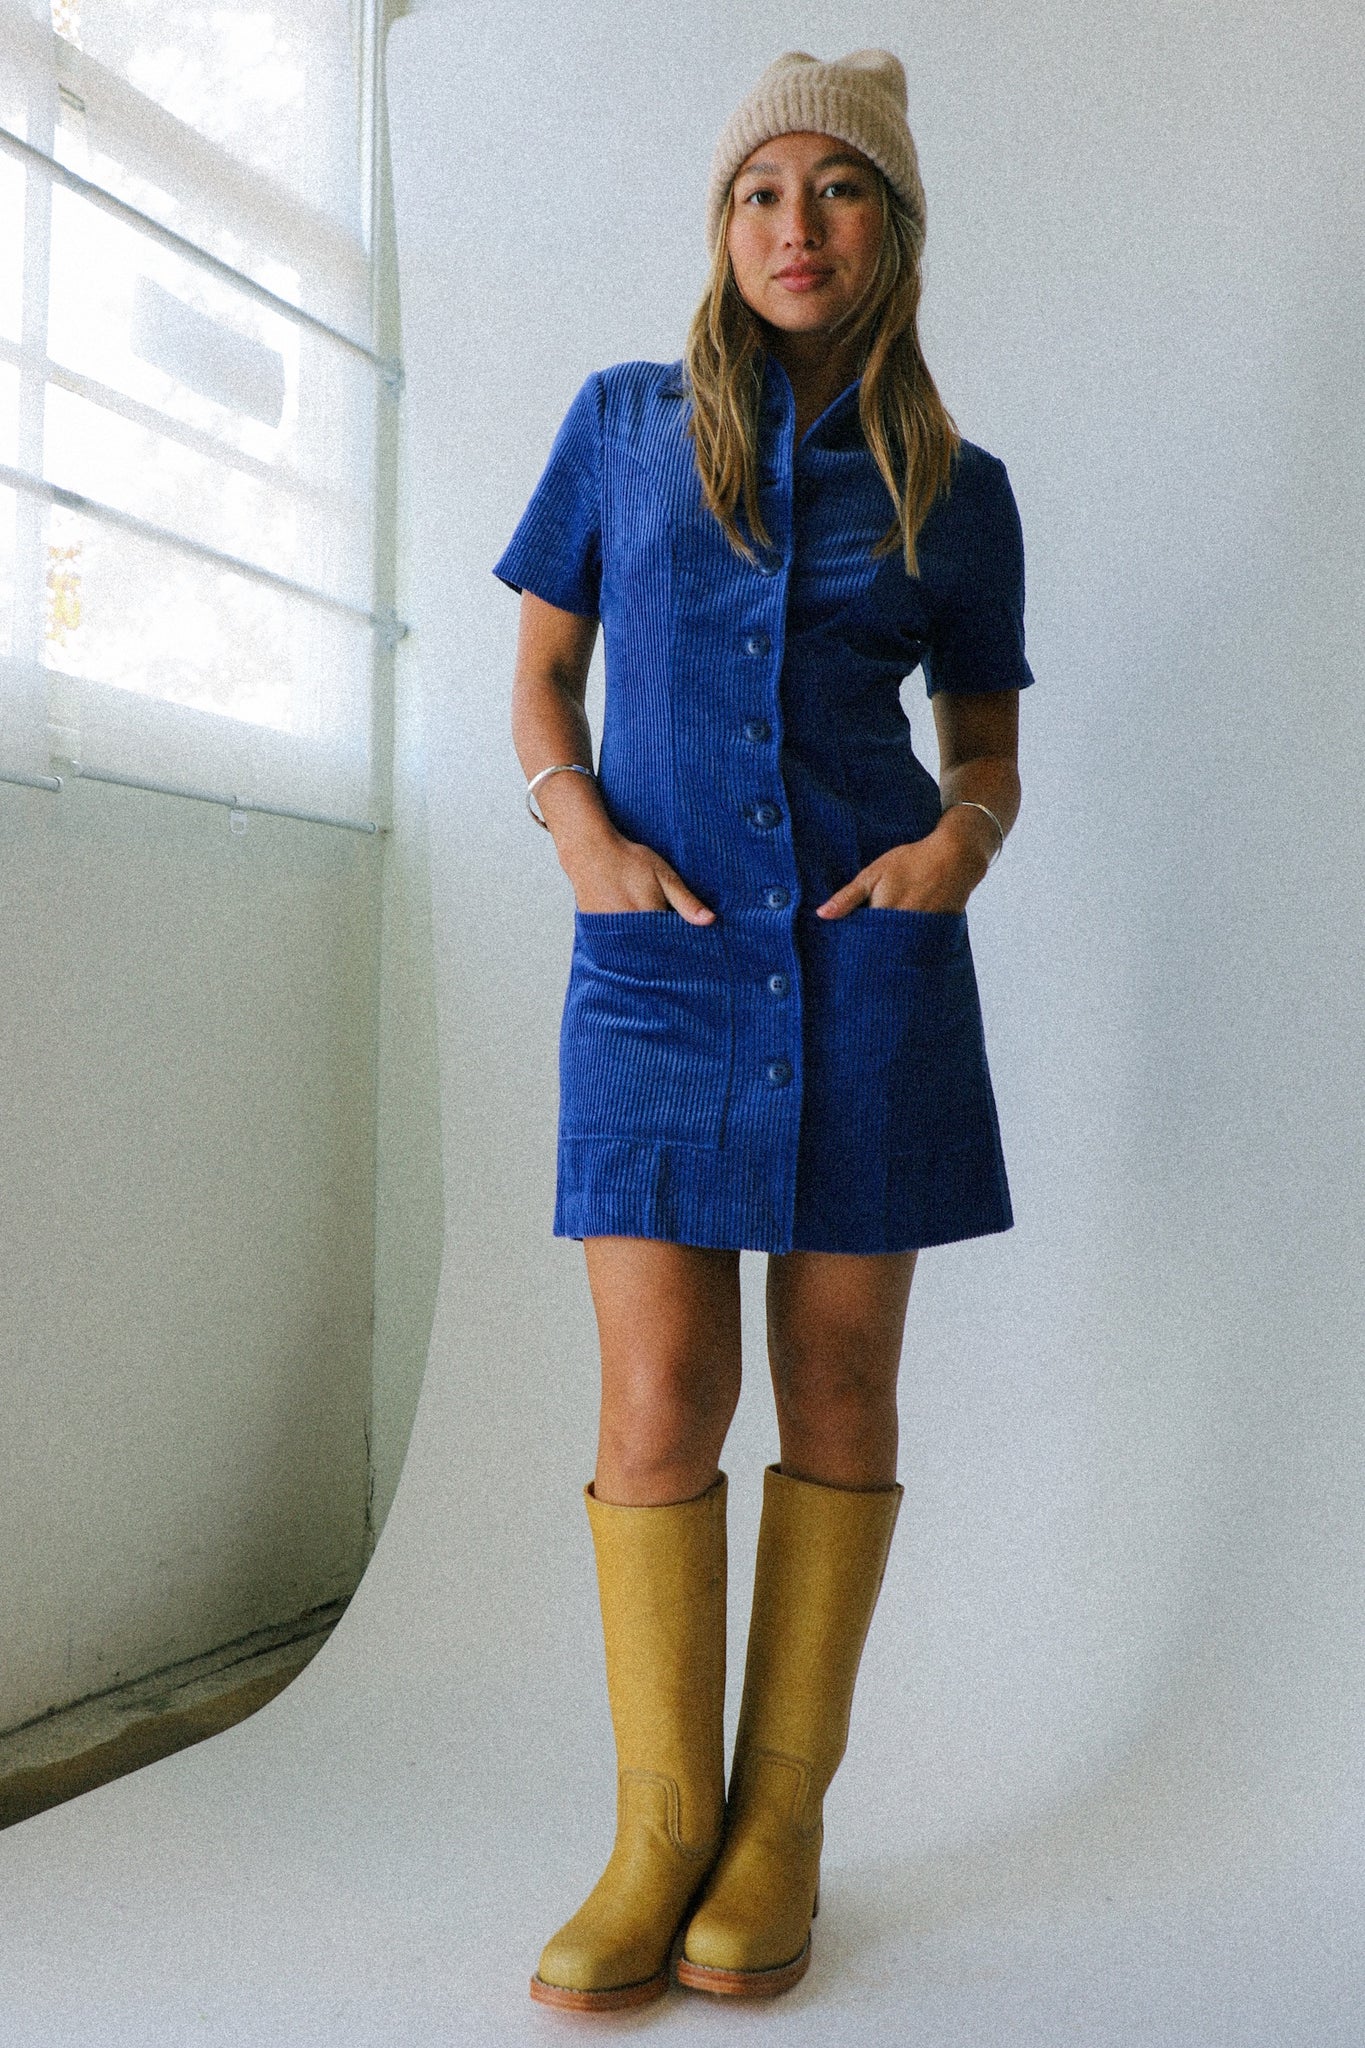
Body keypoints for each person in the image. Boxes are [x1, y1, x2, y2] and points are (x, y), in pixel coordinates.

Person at [493, 47, 1034, 2011]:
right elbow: (541, 676)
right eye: (759, 192)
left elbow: (980, 745)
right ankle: (657, 1831)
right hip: (653, 967)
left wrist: (955, 846)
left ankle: (776, 1824)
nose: (795, 226)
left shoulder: (955, 489)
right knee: (657, 1396)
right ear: (721, 226)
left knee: (838, 1383)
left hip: (866, 961)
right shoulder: (621, 427)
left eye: (839, 189)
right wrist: (579, 837)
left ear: (894, 226)